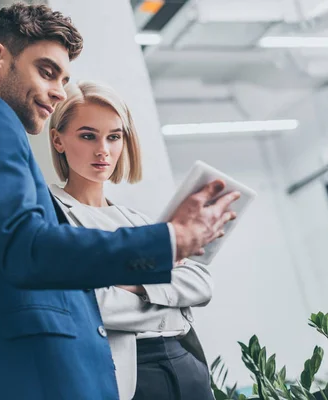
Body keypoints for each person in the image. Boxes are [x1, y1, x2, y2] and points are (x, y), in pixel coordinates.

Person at [0, 3, 239, 400]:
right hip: (28, 374)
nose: (58, 92)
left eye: (63, 78)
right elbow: (28, 248)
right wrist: (167, 241)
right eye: (46, 72)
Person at [49, 81, 216, 400]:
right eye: (88, 136)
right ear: (58, 140)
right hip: (131, 374)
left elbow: (200, 282)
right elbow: (90, 306)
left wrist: (134, 284)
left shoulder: (135, 220)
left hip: (186, 364)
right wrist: (170, 301)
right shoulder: (52, 215)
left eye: (114, 137)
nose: (103, 150)